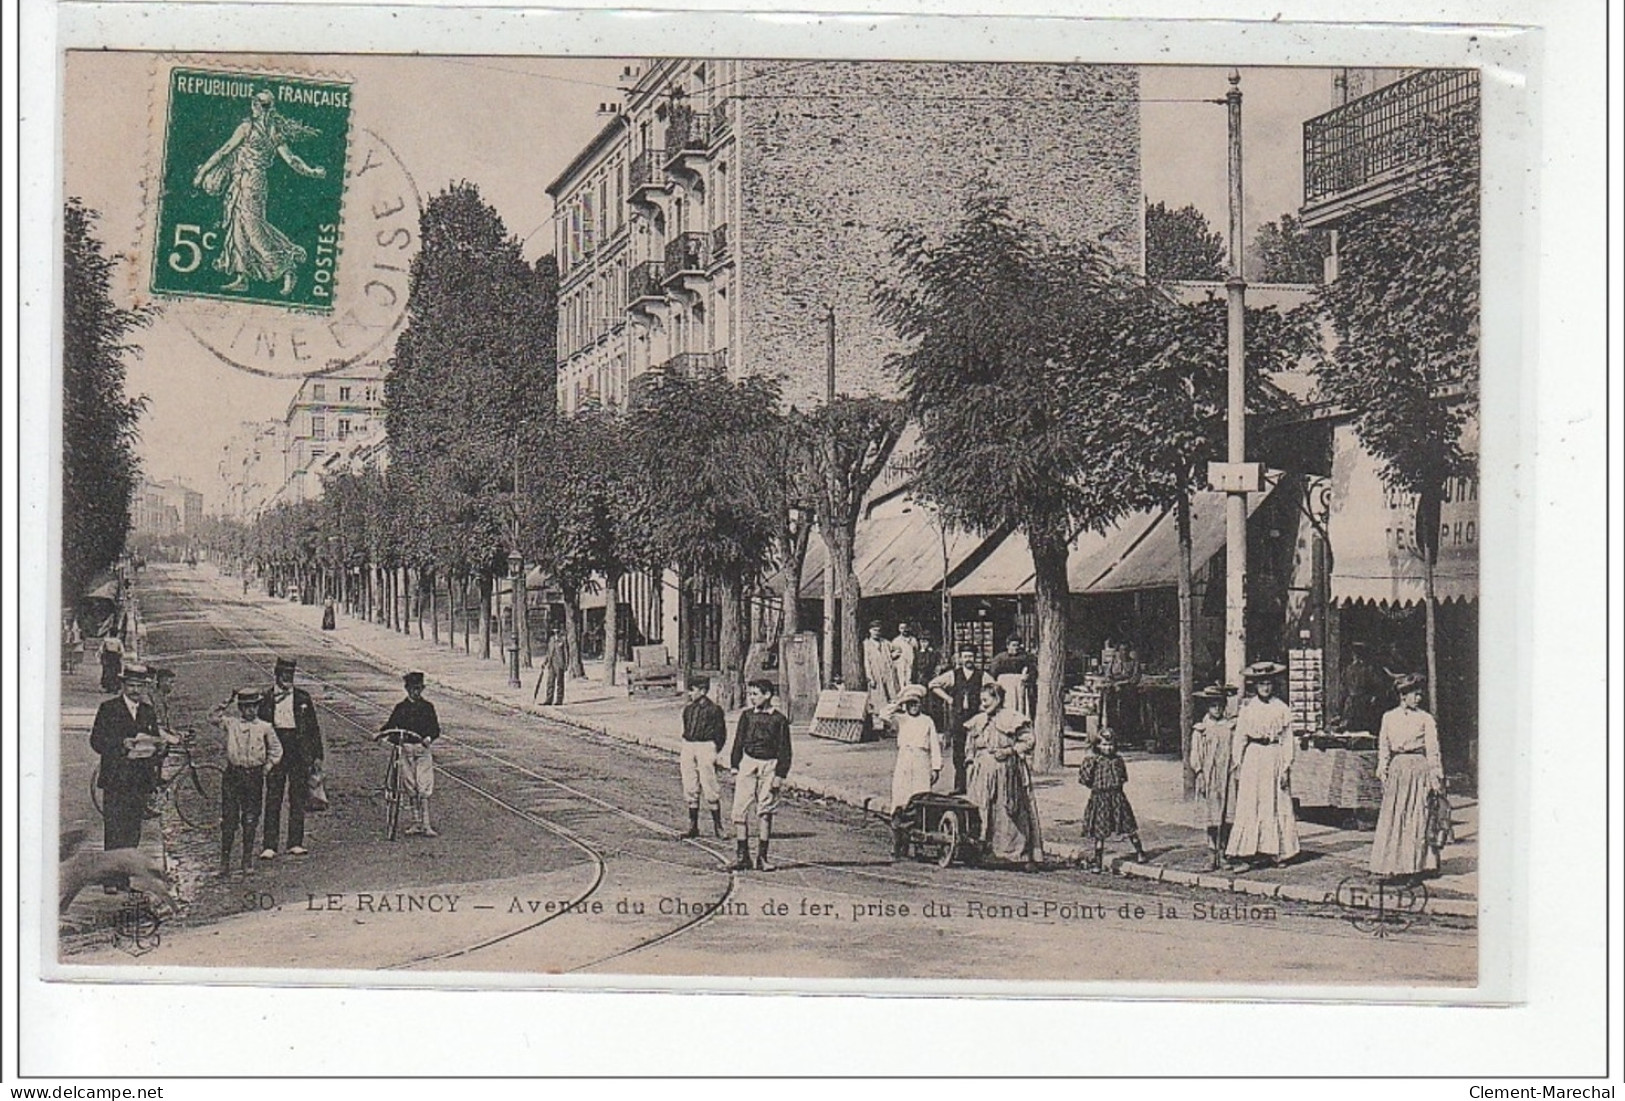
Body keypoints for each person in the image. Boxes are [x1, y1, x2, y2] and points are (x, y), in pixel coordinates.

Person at [191, 89, 328, 295]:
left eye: (256, 104)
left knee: (253, 229)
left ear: (256, 106)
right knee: (238, 227)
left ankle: (286, 266)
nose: (254, 107)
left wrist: (201, 173)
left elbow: (224, 151)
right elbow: (292, 160)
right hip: (245, 182)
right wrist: (312, 171)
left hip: (250, 183)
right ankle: (242, 276)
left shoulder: (249, 128)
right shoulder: (273, 130)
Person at [89, 664, 164, 880]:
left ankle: (125, 877)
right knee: (114, 829)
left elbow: (155, 739)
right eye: (131, 685)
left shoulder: (148, 711)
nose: (135, 690)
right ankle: (110, 879)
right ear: (123, 685)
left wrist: (158, 748)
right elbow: (96, 741)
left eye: (140, 686)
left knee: (133, 831)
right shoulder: (109, 708)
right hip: (116, 778)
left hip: (139, 780)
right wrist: (122, 744)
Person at [1368, 673, 1445, 883]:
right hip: (1398, 769)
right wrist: (1383, 770)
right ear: (1403, 695)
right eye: (1414, 694)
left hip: (1418, 769)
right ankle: (1394, 867)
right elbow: (1384, 746)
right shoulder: (1389, 717)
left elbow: (1433, 750)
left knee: (1416, 817)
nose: (1418, 698)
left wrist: (1435, 776)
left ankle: (1415, 867)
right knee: (1395, 818)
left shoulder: (1425, 719)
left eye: (1420, 695)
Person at [1225, 661, 1300, 869]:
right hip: (1254, 757)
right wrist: (1238, 764)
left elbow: (1287, 739)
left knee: (1275, 802)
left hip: (1274, 756)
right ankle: (1247, 852)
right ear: (1255, 686)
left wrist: (1286, 767)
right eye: (1261, 684)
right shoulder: (1248, 708)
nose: (1265, 688)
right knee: (1252, 803)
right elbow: (1240, 737)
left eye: (1268, 683)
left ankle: (1277, 852)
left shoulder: (1281, 708)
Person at [964, 682, 1043, 868]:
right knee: (980, 809)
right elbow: (970, 745)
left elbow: (1029, 741)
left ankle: (1011, 853)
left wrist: (1009, 751)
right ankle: (983, 849)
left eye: (986, 700)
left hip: (1005, 774)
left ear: (997, 699)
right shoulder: (978, 720)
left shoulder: (1012, 718)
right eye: (981, 700)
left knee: (1006, 810)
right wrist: (970, 763)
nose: (983, 704)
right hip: (981, 774)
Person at [258, 656, 323, 858]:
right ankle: (270, 845)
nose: (288, 679)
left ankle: (295, 842)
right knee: (273, 796)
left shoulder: (303, 698)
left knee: (298, 796)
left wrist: (317, 755)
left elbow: (313, 728)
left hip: (298, 749)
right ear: (276, 675)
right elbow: (260, 728)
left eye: (291, 675)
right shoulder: (266, 698)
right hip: (276, 748)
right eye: (284, 675)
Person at [729, 678, 793, 871]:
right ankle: (742, 856)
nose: (752, 698)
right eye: (750, 694)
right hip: (748, 763)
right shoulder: (747, 716)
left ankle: (762, 858)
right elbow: (738, 740)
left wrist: (779, 775)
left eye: (755, 694)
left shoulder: (779, 719)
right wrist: (734, 764)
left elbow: (785, 749)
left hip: (770, 766)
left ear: (768, 695)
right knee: (740, 809)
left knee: (765, 810)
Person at [216, 688, 282, 876]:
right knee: (229, 819)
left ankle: (247, 860)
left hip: (254, 776)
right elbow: (212, 717)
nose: (250, 711)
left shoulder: (265, 727)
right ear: (240, 708)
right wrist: (227, 698)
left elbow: (276, 749)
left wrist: (267, 766)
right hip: (233, 775)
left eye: (254, 707)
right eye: (246, 707)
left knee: (251, 818)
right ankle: (225, 862)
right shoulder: (231, 723)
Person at [878, 684, 942, 858]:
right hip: (905, 761)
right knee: (901, 800)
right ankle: (899, 843)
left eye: (917, 703)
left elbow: (935, 745)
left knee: (920, 801)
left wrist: (936, 767)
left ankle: (919, 845)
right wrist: (898, 702)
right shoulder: (901, 719)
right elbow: (883, 715)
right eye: (910, 703)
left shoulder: (927, 721)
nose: (914, 707)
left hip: (922, 761)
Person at [382, 672, 442, 837]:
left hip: (422, 750)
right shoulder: (401, 708)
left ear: (422, 689)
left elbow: (435, 729)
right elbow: (390, 726)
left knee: (424, 785)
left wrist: (429, 738)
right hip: (406, 750)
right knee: (410, 785)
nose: (415, 692)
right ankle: (416, 822)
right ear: (407, 689)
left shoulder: (427, 707)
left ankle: (426, 824)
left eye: (418, 689)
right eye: (412, 689)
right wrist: (384, 735)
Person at [1077, 729, 1146, 871]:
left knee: (1128, 826)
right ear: (1097, 745)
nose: (1108, 748)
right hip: (1100, 798)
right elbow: (1085, 779)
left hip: (1117, 796)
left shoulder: (1118, 760)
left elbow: (1123, 777)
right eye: (1104, 745)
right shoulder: (1093, 760)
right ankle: (1098, 862)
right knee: (1099, 831)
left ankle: (1140, 852)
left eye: (1110, 745)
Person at [1188, 683, 1239, 870]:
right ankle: (1211, 853)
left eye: (1220, 705)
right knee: (1211, 817)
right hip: (1209, 776)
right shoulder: (1201, 729)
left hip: (1227, 775)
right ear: (1207, 707)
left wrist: (1235, 770)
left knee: (1226, 816)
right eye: (1213, 705)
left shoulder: (1230, 727)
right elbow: (1196, 754)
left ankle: (1224, 853)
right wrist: (1199, 773)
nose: (1216, 709)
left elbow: (1236, 751)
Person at [928, 648, 990, 794]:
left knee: (977, 751)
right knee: (958, 752)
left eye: (971, 656)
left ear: (975, 658)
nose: (968, 659)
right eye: (965, 656)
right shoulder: (953, 675)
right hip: (959, 718)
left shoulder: (982, 675)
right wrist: (948, 698)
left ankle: (977, 785)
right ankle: (960, 785)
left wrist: (984, 703)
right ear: (960, 658)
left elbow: (995, 689)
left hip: (976, 718)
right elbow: (933, 685)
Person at [678, 675, 727, 839]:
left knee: (709, 784)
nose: (690, 693)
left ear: (703, 691)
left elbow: (721, 734)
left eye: (692, 690)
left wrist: (713, 750)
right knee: (690, 784)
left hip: (706, 746)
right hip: (689, 745)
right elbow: (686, 726)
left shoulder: (714, 710)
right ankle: (693, 826)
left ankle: (718, 826)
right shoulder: (688, 709)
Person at [1338, 641, 1395, 735]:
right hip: (1363, 702)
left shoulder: (1348, 669)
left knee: (1352, 729)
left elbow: (1343, 691)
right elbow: (1378, 686)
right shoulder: (1368, 668)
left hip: (1352, 704)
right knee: (1364, 729)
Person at [988, 635, 1037, 719]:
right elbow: (993, 673)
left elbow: (1033, 672)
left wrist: (1027, 677)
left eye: (1017, 645)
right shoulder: (1000, 658)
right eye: (1013, 645)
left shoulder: (1025, 657)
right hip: (1005, 686)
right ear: (1008, 646)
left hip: (1019, 686)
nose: (1016, 648)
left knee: (1020, 707)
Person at [862, 620, 901, 724]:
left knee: (893, 697)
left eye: (878, 631)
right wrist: (870, 677)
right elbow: (866, 662)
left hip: (888, 673)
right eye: (874, 630)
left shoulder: (886, 643)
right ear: (870, 631)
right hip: (876, 674)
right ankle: (879, 725)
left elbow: (898, 649)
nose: (876, 633)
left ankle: (891, 724)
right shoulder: (866, 644)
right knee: (877, 699)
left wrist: (892, 656)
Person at [534, 623, 568, 706]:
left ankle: (559, 700)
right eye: (554, 630)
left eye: (557, 631)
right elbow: (548, 652)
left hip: (559, 663)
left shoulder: (563, 640)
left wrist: (566, 663)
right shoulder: (551, 639)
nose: (556, 632)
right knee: (550, 682)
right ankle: (549, 699)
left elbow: (566, 652)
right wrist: (545, 662)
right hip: (551, 663)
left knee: (559, 682)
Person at [890, 622, 921, 688]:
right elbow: (891, 655)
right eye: (902, 628)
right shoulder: (896, 641)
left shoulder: (913, 640)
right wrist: (895, 654)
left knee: (910, 681)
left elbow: (917, 651)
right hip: (900, 665)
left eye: (905, 628)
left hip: (911, 664)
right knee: (901, 682)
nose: (904, 630)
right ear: (899, 629)